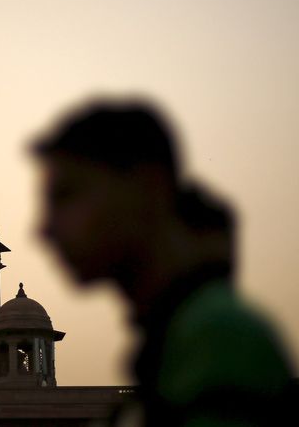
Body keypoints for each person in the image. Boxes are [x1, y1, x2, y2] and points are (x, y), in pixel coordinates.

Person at [30, 99, 293, 426]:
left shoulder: (218, 336)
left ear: (146, 188)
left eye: (67, 195)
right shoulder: (175, 342)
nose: (43, 229)